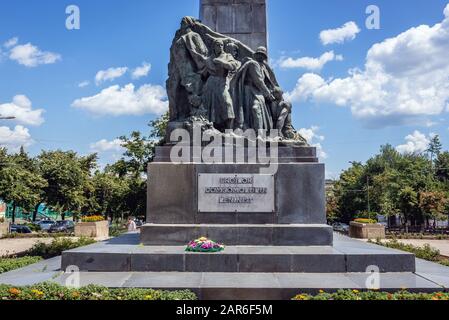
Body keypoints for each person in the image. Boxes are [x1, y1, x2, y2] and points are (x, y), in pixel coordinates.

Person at [202, 39, 240, 131]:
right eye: (218, 45)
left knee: (227, 103)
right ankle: (212, 128)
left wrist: (221, 62)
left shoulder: (227, 56)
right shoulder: (209, 59)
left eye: (221, 45)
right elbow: (203, 74)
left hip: (222, 81)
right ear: (214, 47)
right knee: (211, 106)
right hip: (210, 84)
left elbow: (233, 66)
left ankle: (229, 130)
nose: (220, 47)